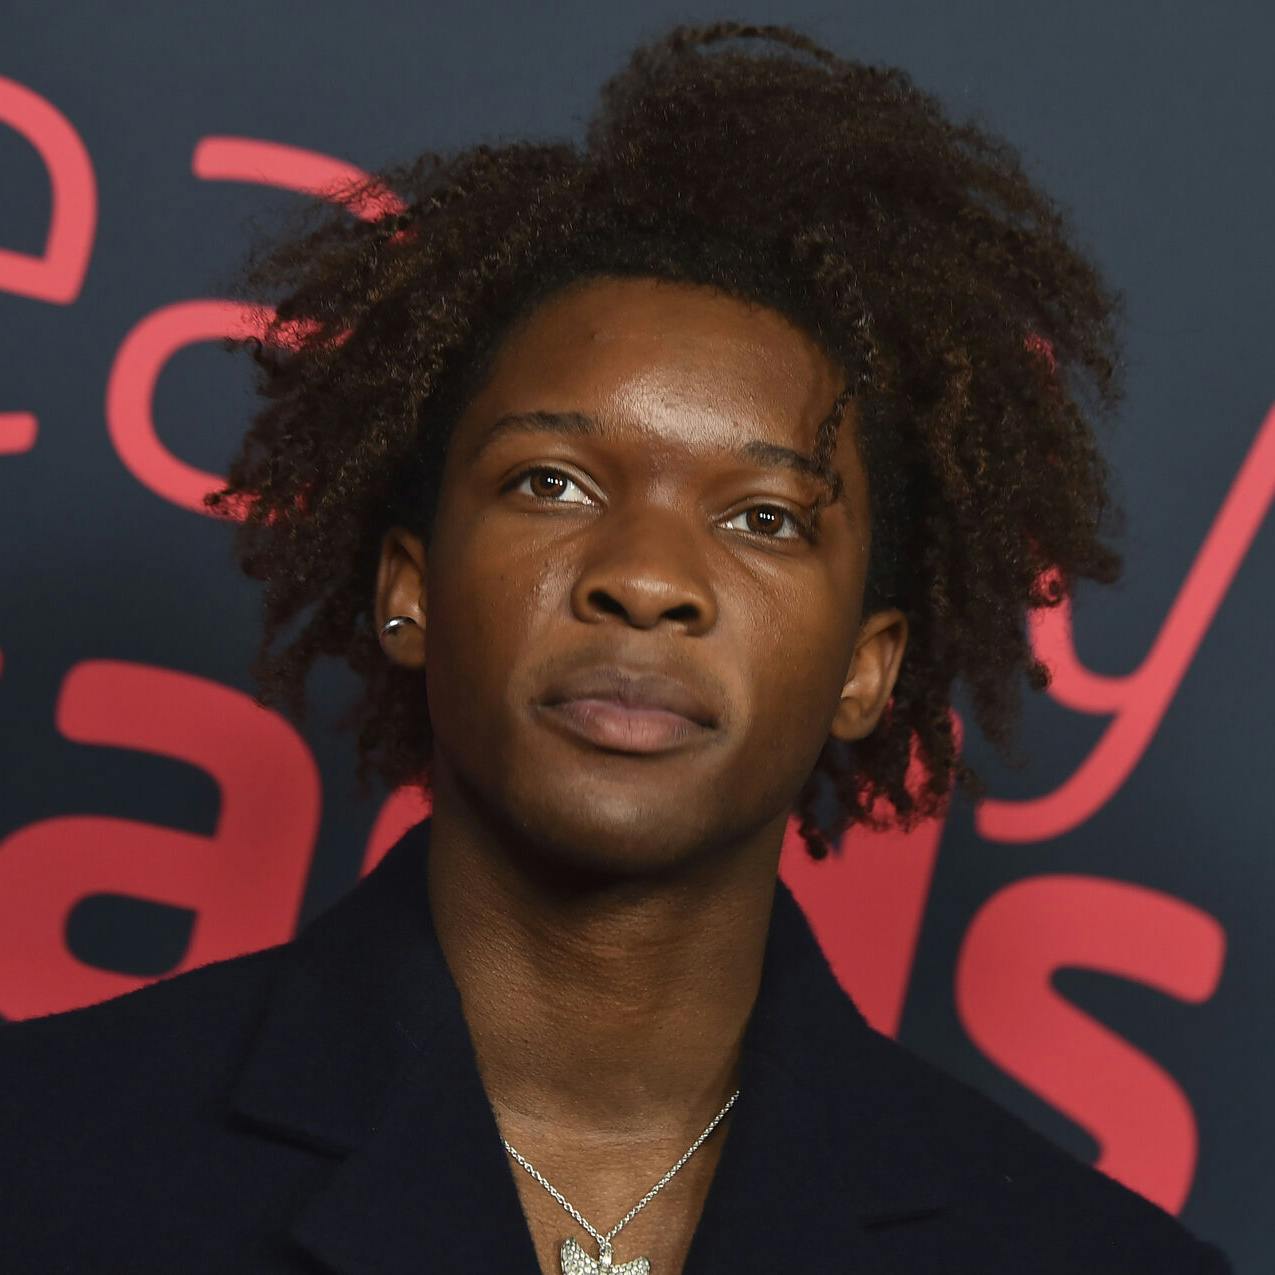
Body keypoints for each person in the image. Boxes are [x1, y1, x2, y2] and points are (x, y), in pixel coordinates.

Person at [0, 20, 1232, 1274]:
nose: (646, 580)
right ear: (409, 593)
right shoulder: (43, 1166)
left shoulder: (1088, 1259)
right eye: (551, 482)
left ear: (867, 668)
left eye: (765, 518)